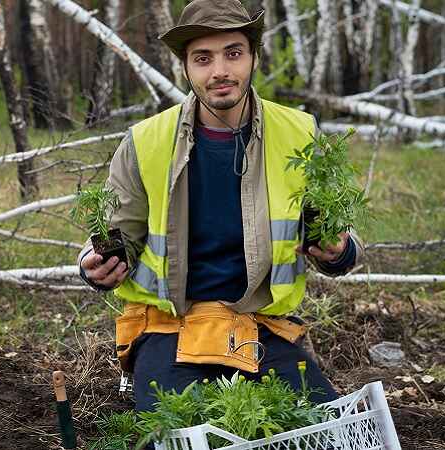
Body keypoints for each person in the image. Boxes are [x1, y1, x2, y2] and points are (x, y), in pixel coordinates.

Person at [77, 0, 364, 419]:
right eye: (203, 58)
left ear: (253, 56)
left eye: (233, 53)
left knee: (322, 425)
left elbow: (339, 233)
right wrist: (93, 266)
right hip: (170, 328)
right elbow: (117, 232)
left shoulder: (300, 133)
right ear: (186, 68)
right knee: (171, 433)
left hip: (260, 326)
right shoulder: (145, 141)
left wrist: (339, 252)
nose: (220, 72)